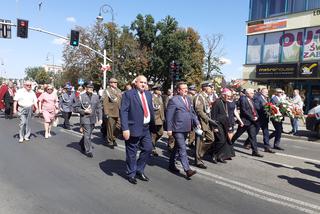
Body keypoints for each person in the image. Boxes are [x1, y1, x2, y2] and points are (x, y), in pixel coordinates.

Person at [120, 75, 155, 185]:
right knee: (132, 152)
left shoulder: (149, 95)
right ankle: (131, 173)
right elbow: (124, 111)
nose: (144, 84)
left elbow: (150, 110)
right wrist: (125, 128)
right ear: (136, 83)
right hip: (133, 128)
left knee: (148, 149)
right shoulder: (128, 94)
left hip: (146, 128)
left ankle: (139, 169)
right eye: (141, 82)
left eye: (145, 82)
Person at [166, 82, 200, 178]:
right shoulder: (173, 100)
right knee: (182, 148)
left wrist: (197, 122)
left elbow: (192, 113)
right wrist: (169, 129)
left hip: (186, 127)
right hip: (178, 128)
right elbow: (169, 116)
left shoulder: (188, 99)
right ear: (178, 90)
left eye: (186, 88)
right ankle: (187, 169)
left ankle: (171, 165)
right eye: (183, 88)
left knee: (177, 147)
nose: (186, 90)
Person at [231, 88, 263, 157]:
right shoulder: (243, 99)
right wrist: (252, 118)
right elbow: (244, 110)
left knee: (253, 136)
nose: (253, 94)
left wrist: (256, 116)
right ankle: (229, 144)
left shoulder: (251, 100)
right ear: (247, 93)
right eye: (252, 93)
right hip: (245, 121)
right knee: (237, 134)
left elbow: (254, 110)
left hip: (251, 122)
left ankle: (255, 152)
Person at [74, 82, 102, 158]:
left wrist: (100, 118)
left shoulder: (96, 97)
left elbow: (99, 108)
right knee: (87, 135)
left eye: (92, 88)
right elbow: (75, 108)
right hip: (85, 118)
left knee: (88, 134)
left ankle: (81, 143)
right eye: (89, 88)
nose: (90, 89)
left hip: (93, 119)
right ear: (86, 88)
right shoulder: (81, 97)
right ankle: (88, 151)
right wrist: (83, 111)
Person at [211, 88, 238, 163]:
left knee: (225, 141)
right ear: (223, 95)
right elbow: (213, 116)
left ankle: (220, 156)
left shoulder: (225, 102)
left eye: (230, 96)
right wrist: (214, 127)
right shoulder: (217, 102)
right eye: (228, 96)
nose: (230, 97)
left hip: (225, 124)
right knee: (220, 140)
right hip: (218, 124)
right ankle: (214, 154)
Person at [193, 81, 215, 168]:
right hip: (200, 123)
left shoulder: (206, 97)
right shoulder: (199, 97)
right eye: (211, 87)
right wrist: (208, 119)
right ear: (205, 88)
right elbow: (199, 111)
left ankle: (199, 154)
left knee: (211, 139)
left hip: (207, 122)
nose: (212, 89)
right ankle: (198, 161)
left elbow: (207, 110)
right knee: (199, 141)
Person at [102, 78, 122, 148]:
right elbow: (105, 103)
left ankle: (113, 137)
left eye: (116, 82)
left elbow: (121, 101)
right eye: (114, 82)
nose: (115, 84)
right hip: (111, 112)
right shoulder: (107, 91)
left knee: (119, 127)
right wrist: (106, 113)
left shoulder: (119, 91)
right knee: (110, 127)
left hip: (119, 112)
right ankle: (110, 141)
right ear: (110, 83)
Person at [254, 88, 275, 153]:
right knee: (255, 132)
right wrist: (264, 107)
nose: (267, 93)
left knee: (266, 133)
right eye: (266, 92)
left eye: (267, 92)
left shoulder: (267, 98)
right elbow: (256, 107)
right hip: (259, 118)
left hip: (265, 118)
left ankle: (267, 147)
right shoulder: (258, 98)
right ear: (262, 92)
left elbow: (269, 106)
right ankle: (248, 142)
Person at [150, 84, 165, 157]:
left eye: (160, 89)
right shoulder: (152, 97)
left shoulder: (160, 97)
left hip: (160, 119)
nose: (160, 91)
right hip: (155, 118)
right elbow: (154, 108)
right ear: (155, 90)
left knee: (160, 133)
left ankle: (152, 144)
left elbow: (162, 108)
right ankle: (152, 148)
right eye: (159, 90)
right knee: (153, 134)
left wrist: (163, 117)